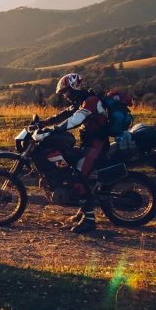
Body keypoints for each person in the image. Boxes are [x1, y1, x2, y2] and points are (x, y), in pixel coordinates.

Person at [37, 73, 109, 233]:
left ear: (75, 88)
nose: (66, 96)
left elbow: (75, 120)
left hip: (96, 147)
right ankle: (82, 210)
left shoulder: (91, 102)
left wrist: (53, 130)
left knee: (77, 178)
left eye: (67, 92)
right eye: (63, 93)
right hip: (89, 145)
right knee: (69, 168)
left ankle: (89, 221)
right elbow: (65, 114)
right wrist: (43, 123)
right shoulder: (82, 101)